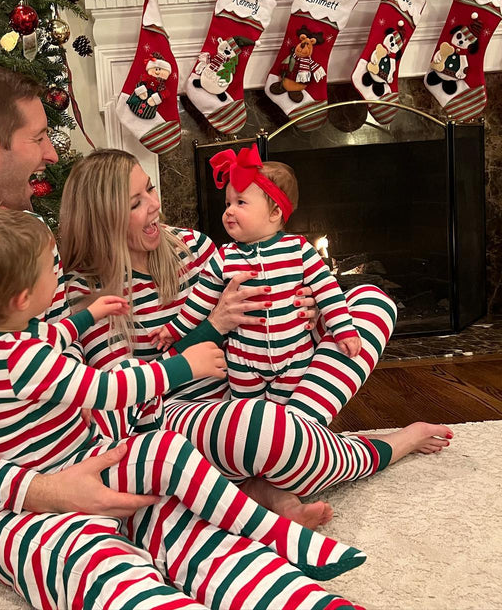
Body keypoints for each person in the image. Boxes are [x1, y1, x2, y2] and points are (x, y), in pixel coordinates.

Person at [0, 63, 372, 610]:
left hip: (84, 441)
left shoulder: (31, 238)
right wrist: (48, 492)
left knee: (187, 525)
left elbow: (62, 353)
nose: (51, 154)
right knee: (91, 558)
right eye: (39, 137)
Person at [0, 206, 367, 581]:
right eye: (51, 268)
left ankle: (280, 484)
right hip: (71, 471)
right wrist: (182, 364)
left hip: (86, 447)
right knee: (175, 453)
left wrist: (87, 318)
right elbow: (104, 388)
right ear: (23, 297)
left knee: (370, 308)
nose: (58, 274)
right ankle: (280, 527)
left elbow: (52, 334)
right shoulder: (21, 356)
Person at [58, 148, 453, 529]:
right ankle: (389, 445)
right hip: (179, 412)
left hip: (257, 372)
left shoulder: (190, 246)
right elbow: (119, 397)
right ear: (104, 218)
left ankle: (280, 458)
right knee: (265, 430)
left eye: (150, 188)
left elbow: (263, 307)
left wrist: (308, 310)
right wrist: (212, 328)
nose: (154, 205)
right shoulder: (87, 292)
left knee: (371, 302)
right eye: (135, 202)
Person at [151, 146, 362, 403]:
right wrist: (174, 330)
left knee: (286, 411)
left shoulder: (298, 250)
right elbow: (199, 302)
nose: (229, 210)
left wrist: (344, 329)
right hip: (243, 361)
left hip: (294, 357)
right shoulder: (225, 256)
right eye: (227, 203)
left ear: (275, 213)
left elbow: (328, 291)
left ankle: (297, 433)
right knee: (248, 411)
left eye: (240, 203)